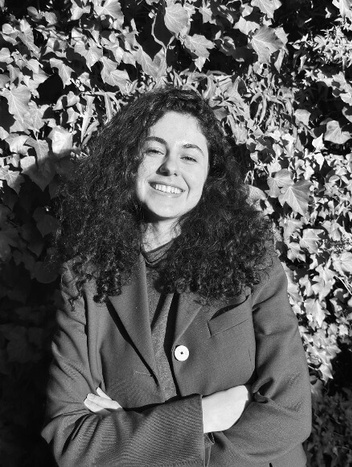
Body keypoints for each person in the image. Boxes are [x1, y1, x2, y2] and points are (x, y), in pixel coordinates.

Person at [42, 87, 312, 466]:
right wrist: (205, 415)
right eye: (154, 150)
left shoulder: (250, 259)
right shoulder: (85, 277)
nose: (171, 167)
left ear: (208, 174)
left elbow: (289, 413)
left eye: (189, 156)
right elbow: (71, 438)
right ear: (128, 162)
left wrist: (132, 433)